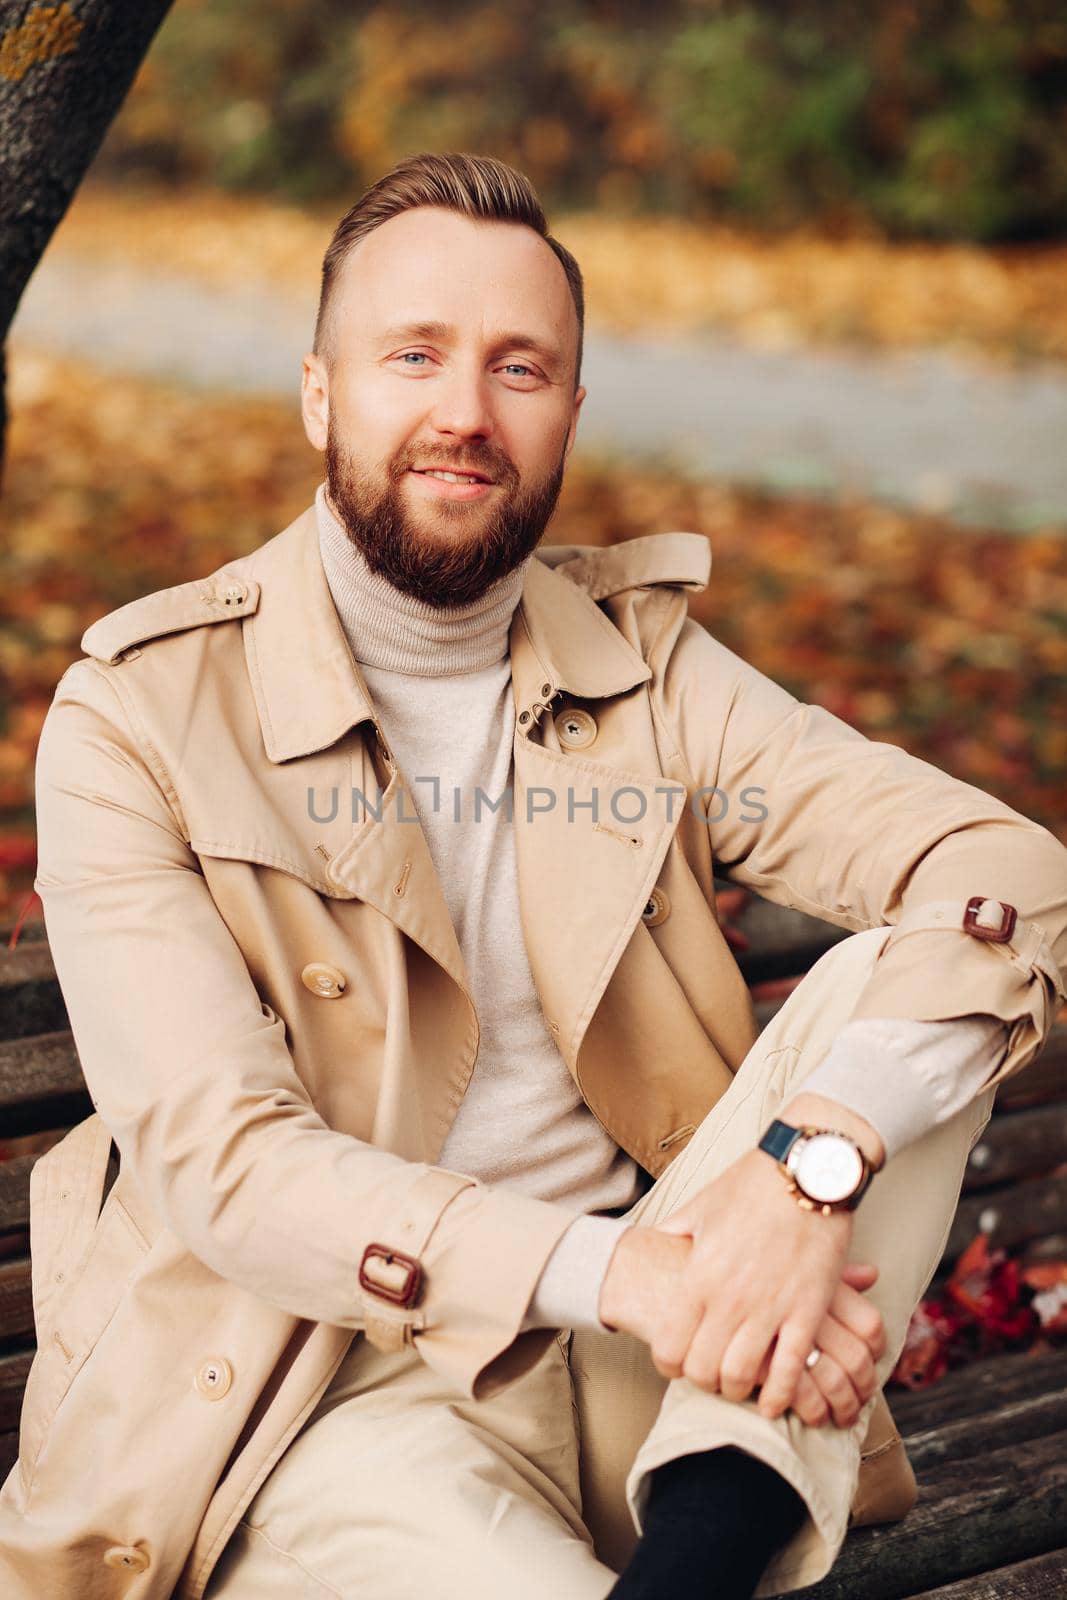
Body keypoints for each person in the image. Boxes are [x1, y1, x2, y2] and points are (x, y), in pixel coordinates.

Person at [2, 151, 1065, 1600]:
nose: (465, 413)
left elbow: (1010, 872)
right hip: (339, 1396)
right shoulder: (143, 715)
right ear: (322, 391)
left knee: (921, 965)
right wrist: (634, 1273)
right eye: (415, 355)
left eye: (519, 367)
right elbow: (228, 1164)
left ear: (570, 410)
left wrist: (807, 1173)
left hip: (677, 1368)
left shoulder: (641, 667)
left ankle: (703, 1530)